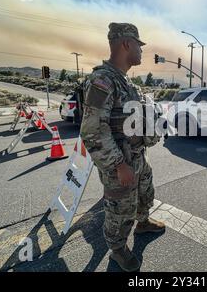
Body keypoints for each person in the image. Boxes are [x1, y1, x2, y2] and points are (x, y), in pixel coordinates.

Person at [80, 22, 165, 272]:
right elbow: (93, 129)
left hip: (138, 156)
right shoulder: (103, 80)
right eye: (139, 45)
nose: (141, 51)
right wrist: (119, 165)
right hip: (121, 162)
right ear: (127, 43)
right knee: (119, 211)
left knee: (144, 194)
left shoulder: (126, 82)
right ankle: (118, 250)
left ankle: (143, 223)